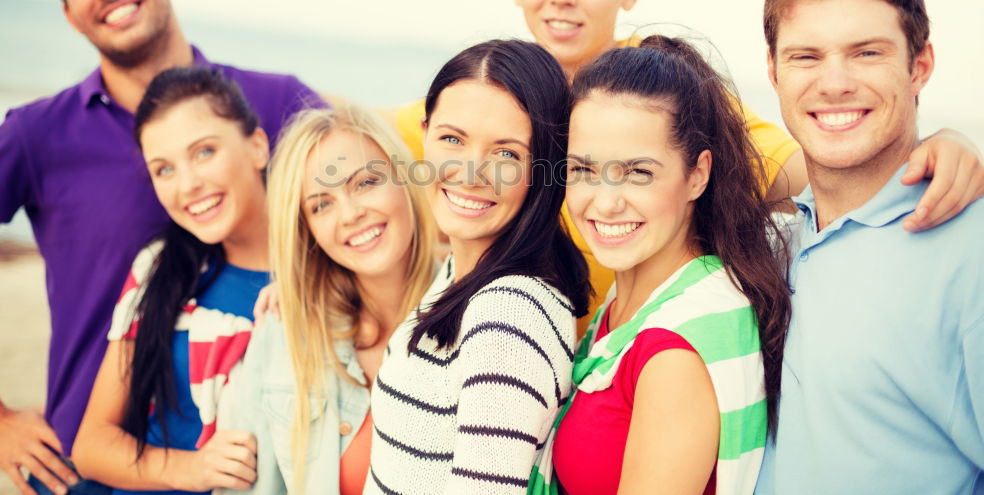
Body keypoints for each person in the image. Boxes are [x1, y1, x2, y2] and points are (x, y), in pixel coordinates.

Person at [389, 0, 984, 332]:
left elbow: (793, 167)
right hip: (563, 371)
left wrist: (923, 153)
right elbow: (357, 150)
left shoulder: (657, 88)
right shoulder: (493, 100)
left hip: (651, 366)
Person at [0, 0, 325, 495]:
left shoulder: (277, 102)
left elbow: (374, 217)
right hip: (88, 471)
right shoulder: (34, 136)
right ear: (69, 15)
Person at [754, 0, 984, 494]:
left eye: (867, 52)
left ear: (919, 66)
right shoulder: (768, 241)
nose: (834, 83)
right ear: (774, 70)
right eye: (806, 56)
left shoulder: (971, 252)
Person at [529, 36, 789, 495]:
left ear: (697, 174)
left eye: (638, 172)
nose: (605, 204)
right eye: (584, 170)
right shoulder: (642, 297)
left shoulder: (675, 348)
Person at [365, 40, 591, 494]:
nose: (471, 172)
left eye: (506, 154)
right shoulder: (459, 273)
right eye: (453, 139)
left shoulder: (507, 315)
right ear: (424, 134)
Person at [69, 68, 272, 493]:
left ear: (257, 146)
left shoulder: (327, 268)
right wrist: (194, 468)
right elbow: (93, 444)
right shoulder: (160, 267)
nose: (188, 186)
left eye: (204, 152)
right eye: (163, 170)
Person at [228, 105, 436, 495]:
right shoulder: (283, 331)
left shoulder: (481, 312)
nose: (351, 214)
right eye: (321, 204)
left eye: (365, 183)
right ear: (307, 231)